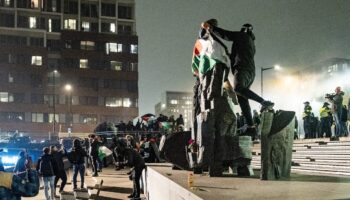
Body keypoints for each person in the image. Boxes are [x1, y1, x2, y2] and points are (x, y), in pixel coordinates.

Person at [202, 22, 274, 137]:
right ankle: (251, 127)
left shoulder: (242, 36)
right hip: (249, 71)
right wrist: (229, 55)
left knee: (238, 89)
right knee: (242, 98)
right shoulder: (250, 42)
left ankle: (264, 102)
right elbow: (239, 54)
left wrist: (211, 28)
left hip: (242, 68)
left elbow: (226, 35)